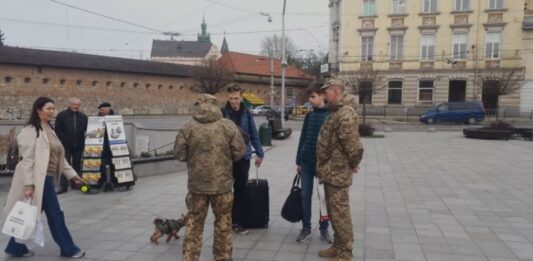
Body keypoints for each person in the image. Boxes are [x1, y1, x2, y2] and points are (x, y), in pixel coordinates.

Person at [3, 96, 85, 258]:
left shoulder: (49, 129)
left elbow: (59, 157)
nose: (52, 112)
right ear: (38, 110)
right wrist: (28, 185)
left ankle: (15, 247)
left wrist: (73, 175)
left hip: (46, 178)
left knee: (32, 212)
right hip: (38, 179)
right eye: (48, 108)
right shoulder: (31, 130)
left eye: (53, 108)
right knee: (55, 214)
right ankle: (68, 248)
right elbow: (27, 160)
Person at [174, 94, 247, 261]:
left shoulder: (188, 126)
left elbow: (178, 154)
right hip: (222, 186)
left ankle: (190, 258)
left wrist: (194, 159)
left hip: (196, 186)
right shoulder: (227, 126)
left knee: (194, 223)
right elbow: (240, 151)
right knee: (223, 223)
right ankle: (222, 257)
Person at [316, 79, 364, 261]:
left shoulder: (345, 114)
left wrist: (353, 163)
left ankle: (345, 252)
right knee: (334, 213)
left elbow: (354, 146)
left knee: (340, 214)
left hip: (338, 173)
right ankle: (337, 246)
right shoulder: (334, 112)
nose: (324, 95)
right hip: (330, 172)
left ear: (335, 92)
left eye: (326, 91)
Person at [221, 85, 265, 235]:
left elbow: (253, 134)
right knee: (225, 191)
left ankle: (237, 222)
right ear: (228, 97)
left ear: (241, 98)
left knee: (240, 190)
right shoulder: (222, 114)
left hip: (243, 158)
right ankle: (225, 221)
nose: (234, 101)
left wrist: (260, 154)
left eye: (236, 98)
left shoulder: (247, 113)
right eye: (231, 98)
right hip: (226, 159)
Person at [295, 82, 332, 243]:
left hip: (324, 165)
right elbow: (302, 138)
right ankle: (306, 227)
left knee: (324, 197)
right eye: (309, 97)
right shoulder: (309, 116)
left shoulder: (330, 116)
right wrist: (298, 160)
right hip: (306, 163)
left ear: (323, 96)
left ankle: (324, 228)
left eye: (313, 96)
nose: (310, 99)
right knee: (305, 195)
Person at [55, 98, 88, 193]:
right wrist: (64, 141)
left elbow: (87, 130)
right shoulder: (62, 115)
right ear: (70, 104)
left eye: (78, 105)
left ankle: (75, 183)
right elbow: (58, 130)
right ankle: (63, 185)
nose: (76, 106)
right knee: (64, 165)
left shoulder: (83, 117)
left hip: (78, 145)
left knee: (77, 165)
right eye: (74, 104)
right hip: (65, 145)